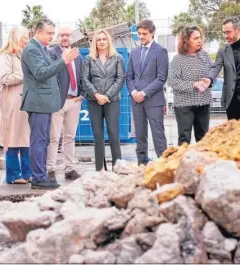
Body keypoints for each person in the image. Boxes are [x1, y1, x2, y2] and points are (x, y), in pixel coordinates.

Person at [20, 18, 79, 189]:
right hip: (38, 102)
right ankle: (38, 178)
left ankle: (42, 174)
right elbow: (41, 73)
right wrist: (64, 61)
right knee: (39, 140)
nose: (52, 37)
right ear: (38, 32)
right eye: (49, 33)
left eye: (53, 33)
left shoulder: (41, 48)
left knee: (43, 140)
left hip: (44, 102)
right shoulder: (32, 49)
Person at [126, 19, 169, 165]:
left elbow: (161, 78)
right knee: (140, 134)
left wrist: (143, 93)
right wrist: (133, 92)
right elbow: (129, 76)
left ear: (152, 33)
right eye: (139, 34)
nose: (141, 37)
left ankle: (164, 163)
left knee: (158, 134)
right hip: (136, 100)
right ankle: (142, 162)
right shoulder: (134, 52)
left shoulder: (161, 51)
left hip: (153, 100)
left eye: (144, 34)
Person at [82, 29, 125, 171]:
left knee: (113, 134)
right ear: (95, 42)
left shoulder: (117, 57)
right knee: (98, 136)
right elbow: (85, 79)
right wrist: (96, 95)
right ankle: (100, 169)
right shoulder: (89, 59)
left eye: (104, 39)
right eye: (99, 39)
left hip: (112, 101)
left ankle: (117, 167)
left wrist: (107, 96)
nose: (101, 41)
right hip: (94, 101)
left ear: (108, 41)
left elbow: (120, 79)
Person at [47, 27, 84, 180]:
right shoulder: (51, 53)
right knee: (54, 137)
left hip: (74, 101)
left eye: (68, 35)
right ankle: (50, 169)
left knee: (70, 137)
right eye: (62, 35)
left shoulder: (77, 55)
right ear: (57, 37)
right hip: (57, 102)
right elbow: (50, 74)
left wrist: (82, 94)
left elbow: (81, 76)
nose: (65, 38)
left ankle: (69, 169)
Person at [167, 26, 213, 146]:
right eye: (196, 38)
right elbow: (172, 81)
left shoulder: (205, 56)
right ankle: (183, 162)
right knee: (184, 138)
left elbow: (213, 75)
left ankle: (202, 164)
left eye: (200, 38)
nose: (199, 41)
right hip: (183, 105)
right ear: (186, 40)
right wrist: (193, 85)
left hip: (203, 103)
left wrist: (208, 81)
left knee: (203, 138)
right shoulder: (177, 60)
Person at [0, 25, 31, 184]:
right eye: (25, 37)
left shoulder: (24, 54)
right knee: (13, 137)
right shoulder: (6, 56)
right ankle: (13, 174)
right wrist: (25, 74)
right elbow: (4, 78)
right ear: (17, 37)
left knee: (26, 137)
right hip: (12, 103)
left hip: (26, 102)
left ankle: (28, 173)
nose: (27, 40)